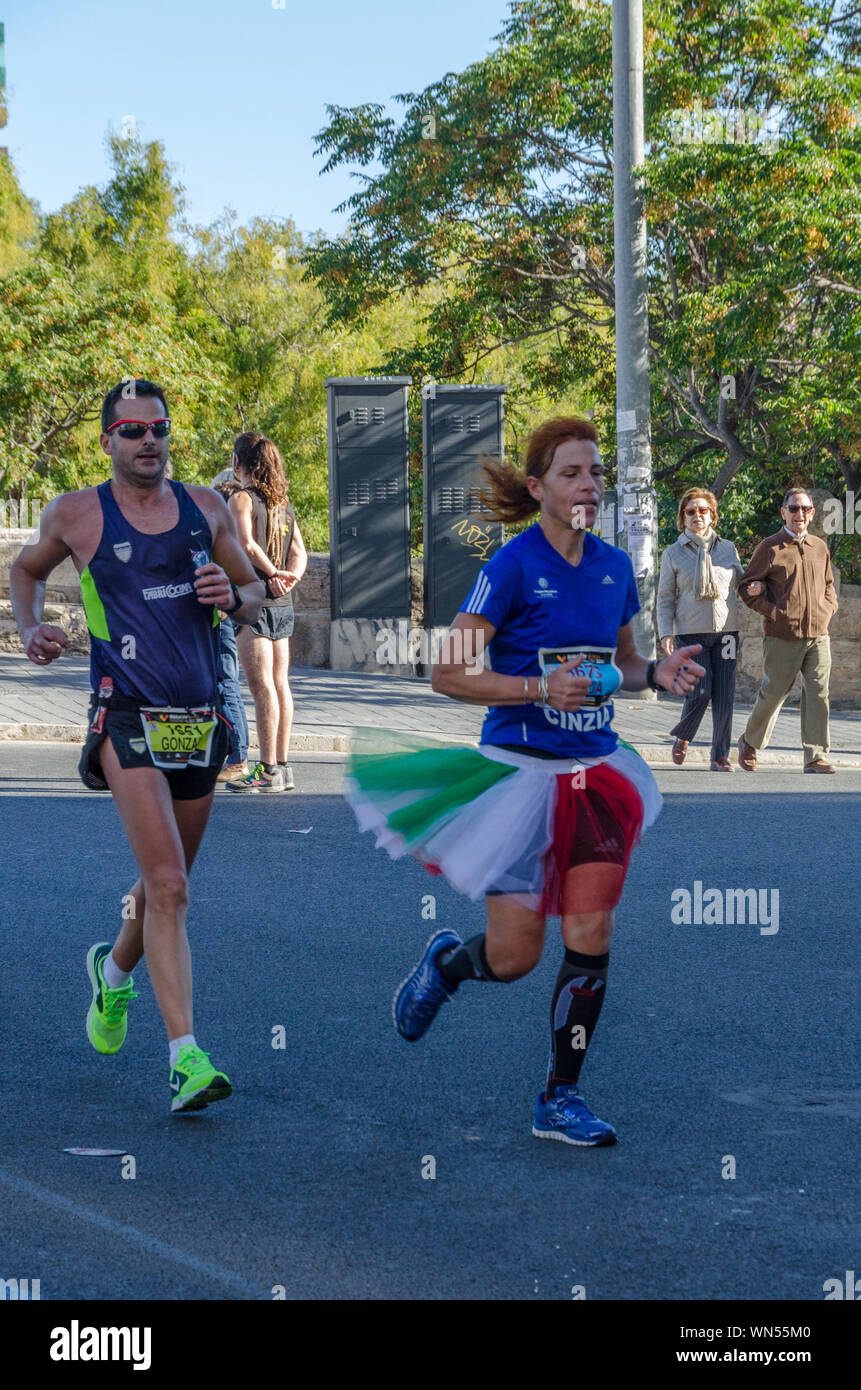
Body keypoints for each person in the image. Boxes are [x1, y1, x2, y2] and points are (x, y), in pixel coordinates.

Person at [344, 417, 705, 1146]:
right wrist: (539, 691)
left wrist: (656, 674)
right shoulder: (510, 568)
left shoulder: (611, 568)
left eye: (596, 473)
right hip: (517, 780)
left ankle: (559, 1097)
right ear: (538, 488)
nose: (589, 485)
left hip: (595, 775)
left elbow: (625, 663)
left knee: (591, 931)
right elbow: (448, 673)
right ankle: (449, 962)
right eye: (572, 473)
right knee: (513, 959)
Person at [9, 380, 265, 1112]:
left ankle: (113, 971)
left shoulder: (206, 508)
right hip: (125, 715)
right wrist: (30, 629)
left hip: (199, 715)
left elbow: (258, 595)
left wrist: (232, 592)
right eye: (130, 430)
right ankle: (186, 1059)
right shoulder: (77, 513)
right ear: (107, 442)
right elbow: (25, 570)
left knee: (164, 880)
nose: (147, 440)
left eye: (157, 428)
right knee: (172, 887)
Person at [737, 487, 839, 773]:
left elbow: (829, 585)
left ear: (812, 513)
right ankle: (749, 741)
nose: (800, 514)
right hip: (783, 635)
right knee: (775, 692)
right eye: (794, 508)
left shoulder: (820, 547)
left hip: (819, 634)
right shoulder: (769, 547)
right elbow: (746, 588)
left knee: (819, 693)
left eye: (805, 509)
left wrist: (828, 610)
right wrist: (771, 611)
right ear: (783, 512)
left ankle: (815, 756)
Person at [226, 433, 307, 793]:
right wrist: (289, 579)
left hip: (254, 598)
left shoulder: (241, 498)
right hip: (282, 603)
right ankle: (284, 767)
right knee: (280, 684)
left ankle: (268, 769)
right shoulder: (283, 504)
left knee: (261, 689)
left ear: (239, 462)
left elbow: (245, 543)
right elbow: (300, 553)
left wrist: (272, 576)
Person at [657, 487, 744, 770]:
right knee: (701, 692)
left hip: (726, 632)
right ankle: (683, 736)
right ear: (683, 517)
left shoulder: (728, 548)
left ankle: (720, 756)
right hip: (690, 633)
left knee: (725, 696)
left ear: (712, 516)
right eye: (691, 511)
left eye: (703, 511)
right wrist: (665, 632)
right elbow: (665, 597)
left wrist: (759, 588)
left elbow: (742, 584)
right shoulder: (673, 553)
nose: (697, 516)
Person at [212, 472, 250, 783]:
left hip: (222, 618)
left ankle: (239, 757)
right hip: (230, 615)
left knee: (227, 684)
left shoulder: (224, 537)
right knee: (224, 684)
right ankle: (231, 753)